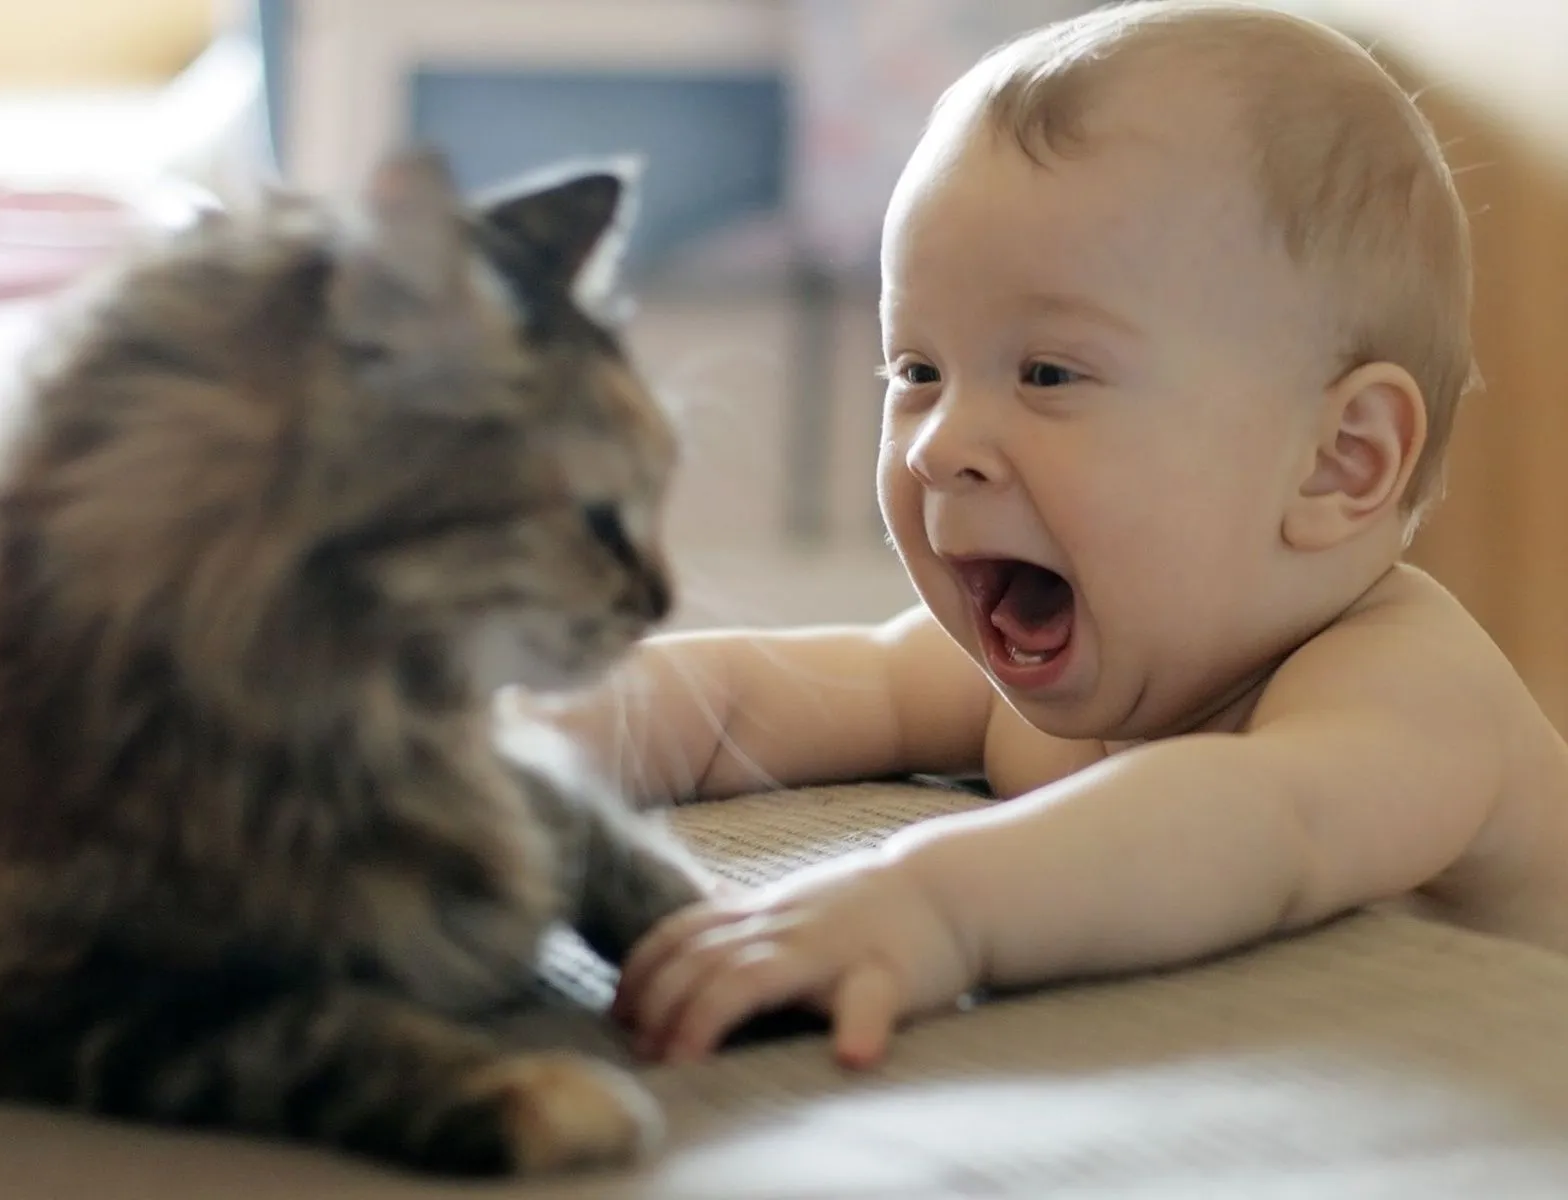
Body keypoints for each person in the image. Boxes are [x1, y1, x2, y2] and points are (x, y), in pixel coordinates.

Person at [509, 0, 1568, 1070]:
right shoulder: (1054, 666)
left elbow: (1248, 825)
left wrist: (929, 905)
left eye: (1048, 373)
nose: (937, 446)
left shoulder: (1412, 696)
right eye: (914, 370)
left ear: (1338, 460)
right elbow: (767, 695)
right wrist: (535, 740)